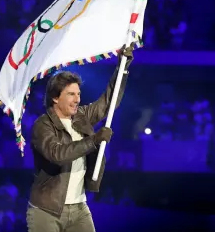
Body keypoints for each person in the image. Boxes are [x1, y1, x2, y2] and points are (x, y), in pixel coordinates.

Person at [26, 43, 135, 232]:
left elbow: (108, 102)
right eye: (71, 94)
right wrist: (93, 140)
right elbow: (57, 154)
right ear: (55, 98)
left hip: (79, 209)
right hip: (46, 211)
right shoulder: (42, 125)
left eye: (78, 94)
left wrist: (123, 67)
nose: (77, 99)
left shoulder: (82, 116)